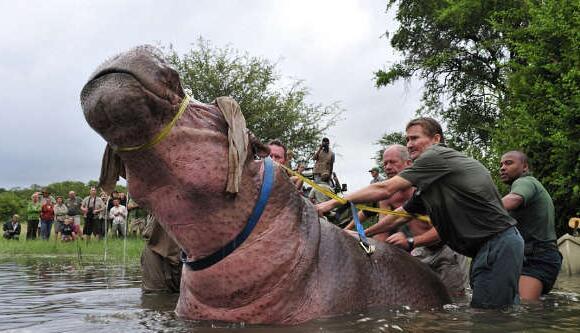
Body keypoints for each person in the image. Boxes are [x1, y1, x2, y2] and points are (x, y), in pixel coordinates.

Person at [317, 117, 524, 309]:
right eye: (407, 139)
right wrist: (360, 235)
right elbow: (398, 216)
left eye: (415, 138)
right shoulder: (431, 181)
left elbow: (385, 188)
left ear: (436, 139)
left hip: (497, 244)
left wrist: (329, 205)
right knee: (501, 313)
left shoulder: (436, 155)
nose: (409, 144)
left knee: (490, 318)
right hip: (487, 249)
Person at [348, 145, 469, 296]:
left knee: (456, 300)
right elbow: (382, 231)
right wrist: (363, 240)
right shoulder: (387, 196)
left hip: (447, 247)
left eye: (393, 162)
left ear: (409, 164)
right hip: (420, 249)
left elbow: (442, 231)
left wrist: (410, 241)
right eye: (385, 163)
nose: (388, 167)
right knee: (421, 298)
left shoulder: (427, 188)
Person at [500, 150, 562, 301]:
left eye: (508, 163)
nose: (502, 168)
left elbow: (514, 199)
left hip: (537, 258)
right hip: (534, 256)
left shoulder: (525, 182)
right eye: (501, 164)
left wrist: (478, 210)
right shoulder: (531, 185)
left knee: (526, 310)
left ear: (525, 167)